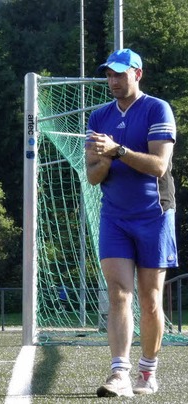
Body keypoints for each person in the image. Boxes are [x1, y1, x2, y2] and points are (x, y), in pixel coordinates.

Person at [85, 48, 176, 397]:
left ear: (137, 74)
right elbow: (94, 176)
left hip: (154, 215)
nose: (113, 81)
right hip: (115, 216)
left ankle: (147, 372)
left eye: (120, 74)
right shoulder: (99, 116)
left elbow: (158, 166)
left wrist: (118, 151)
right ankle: (119, 372)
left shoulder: (157, 108)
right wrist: (104, 159)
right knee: (119, 293)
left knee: (150, 298)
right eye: (109, 75)